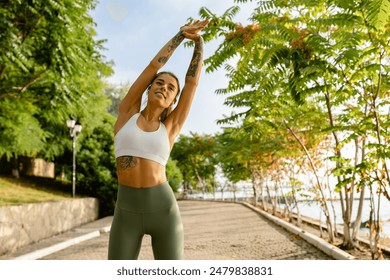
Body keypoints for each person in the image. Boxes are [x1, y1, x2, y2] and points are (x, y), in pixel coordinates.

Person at [108, 19, 208, 260]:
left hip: (164, 210)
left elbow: (192, 83)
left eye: (171, 88)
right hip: (126, 212)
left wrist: (199, 43)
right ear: (149, 89)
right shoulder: (127, 114)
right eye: (159, 83)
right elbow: (153, 66)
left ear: (173, 100)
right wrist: (179, 37)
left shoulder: (170, 128)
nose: (164, 87)